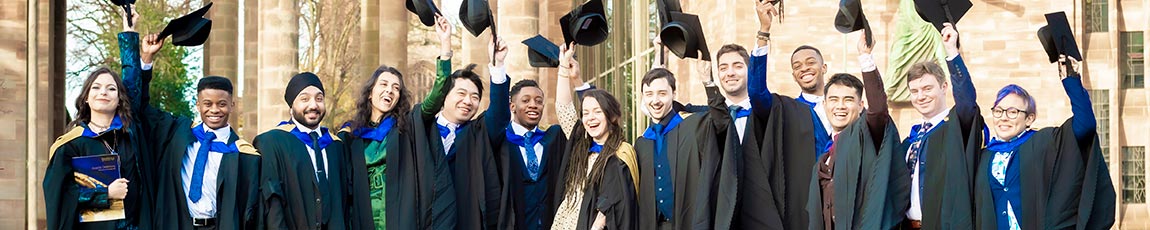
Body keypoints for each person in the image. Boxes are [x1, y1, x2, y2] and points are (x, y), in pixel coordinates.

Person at [712, 1, 830, 229]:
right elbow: (756, 93)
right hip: (805, 211)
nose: (804, 68)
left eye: (810, 62)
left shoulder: (844, 106)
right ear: (793, 75)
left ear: (824, 67)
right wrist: (763, 32)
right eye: (797, 66)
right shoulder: (786, 111)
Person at [970, 55, 1115, 228]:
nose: (1004, 118)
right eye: (999, 111)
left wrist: (1071, 79)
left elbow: (1085, 124)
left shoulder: (1043, 143)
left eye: (1013, 112)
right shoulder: (984, 155)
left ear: (1029, 118)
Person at [133, 34, 261, 230]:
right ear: (198, 104)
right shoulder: (177, 133)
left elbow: (250, 212)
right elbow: (140, 107)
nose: (215, 110)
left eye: (222, 104)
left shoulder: (244, 155)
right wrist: (147, 58)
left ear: (232, 105)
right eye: (207, 104)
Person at [44, 7, 155, 229]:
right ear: (86, 98)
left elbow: (132, 82)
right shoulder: (71, 144)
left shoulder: (129, 133)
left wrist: (129, 31)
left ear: (120, 99)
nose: (103, 92)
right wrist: (105, 194)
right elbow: (60, 197)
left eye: (111, 89)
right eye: (96, 87)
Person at [407, 15, 503, 229]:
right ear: (445, 96)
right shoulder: (421, 128)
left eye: (475, 97)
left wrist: (498, 65)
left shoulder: (478, 133)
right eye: (461, 93)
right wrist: (445, 44)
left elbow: (498, 115)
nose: (468, 101)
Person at [804, 32, 903, 230]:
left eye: (848, 100)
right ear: (824, 105)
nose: (840, 106)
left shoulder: (868, 136)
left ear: (861, 106)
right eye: (833, 100)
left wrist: (865, 57)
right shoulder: (825, 156)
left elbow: (878, 110)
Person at [890, 23, 984, 229]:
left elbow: (967, 101)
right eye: (914, 91)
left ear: (943, 87)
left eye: (926, 88)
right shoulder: (911, 141)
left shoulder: (956, 128)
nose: (920, 96)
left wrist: (952, 51)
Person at [550, 44, 639, 230]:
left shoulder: (621, 153)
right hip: (566, 222)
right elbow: (563, 107)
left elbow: (615, 199)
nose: (590, 118)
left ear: (612, 117)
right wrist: (564, 66)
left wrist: (596, 227)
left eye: (597, 112)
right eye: (586, 113)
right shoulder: (581, 146)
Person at [255, 71, 349, 229]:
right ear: (291, 106)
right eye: (304, 99)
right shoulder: (272, 143)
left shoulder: (336, 145)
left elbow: (345, 201)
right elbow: (272, 203)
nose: (313, 105)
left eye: (319, 99)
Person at [491, 47, 570, 229]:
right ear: (512, 106)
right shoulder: (501, 142)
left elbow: (573, 122)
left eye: (539, 101)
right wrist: (498, 65)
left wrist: (566, 71)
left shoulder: (553, 139)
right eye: (525, 100)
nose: (533, 105)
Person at [338, 64, 421, 229]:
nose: (390, 90)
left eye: (396, 88)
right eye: (383, 84)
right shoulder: (350, 135)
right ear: (370, 93)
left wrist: (445, 53)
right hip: (362, 217)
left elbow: (431, 104)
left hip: (397, 217)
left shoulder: (404, 130)